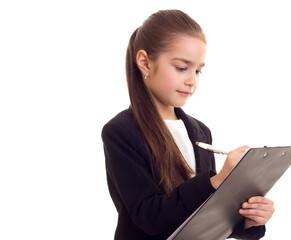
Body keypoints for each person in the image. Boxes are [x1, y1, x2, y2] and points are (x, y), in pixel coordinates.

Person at [101, 9, 274, 240]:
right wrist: (217, 180)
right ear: (144, 62)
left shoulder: (201, 131)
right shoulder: (121, 131)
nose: (192, 80)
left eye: (198, 70)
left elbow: (207, 217)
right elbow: (150, 216)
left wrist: (248, 220)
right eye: (182, 67)